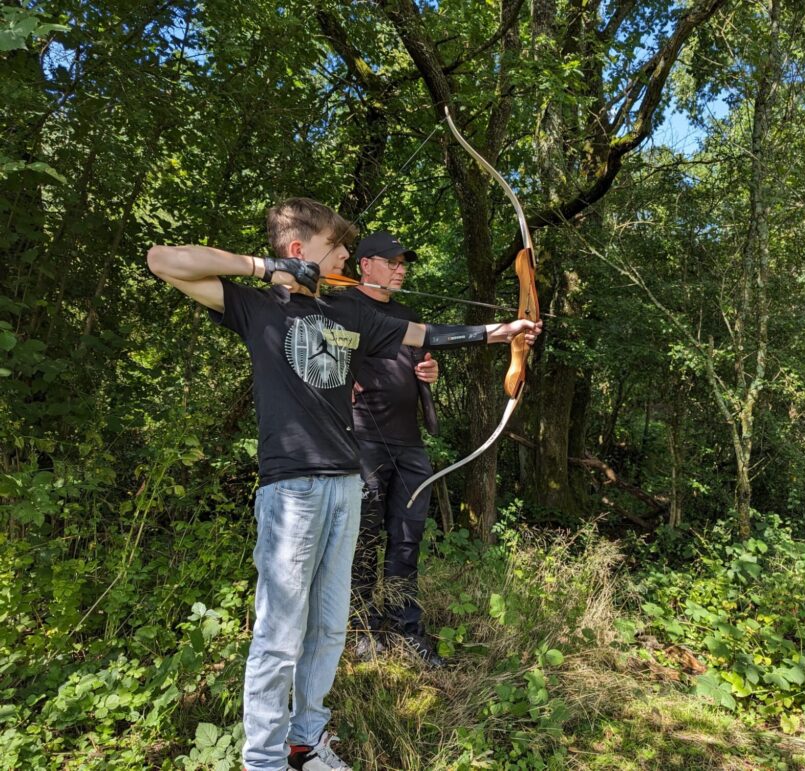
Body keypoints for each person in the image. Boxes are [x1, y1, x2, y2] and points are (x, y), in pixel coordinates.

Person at [146, 197, 542, 771]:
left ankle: (307, 742)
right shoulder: (256, 309)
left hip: (344, 483)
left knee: (329, 630)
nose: (344, 262)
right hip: (291, 491)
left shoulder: (349, 316)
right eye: (337, 252)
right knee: (281, 634)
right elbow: (162, 260)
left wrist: (501, 331)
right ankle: (264, 760)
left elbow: (426, 332)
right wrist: (262, 268)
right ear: (301, 252)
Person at [342, 231, 444, 667]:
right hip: (363, 440)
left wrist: (430, 371)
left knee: (407, 539)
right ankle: (361, 630)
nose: (401, 269)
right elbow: (317, 356)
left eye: (404, 263)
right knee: (363, 538)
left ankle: (405, 630)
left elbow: (419, 363)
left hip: (409, 443)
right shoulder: (344, 309)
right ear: (365, 264)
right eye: (393, 262)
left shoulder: (408, 317)